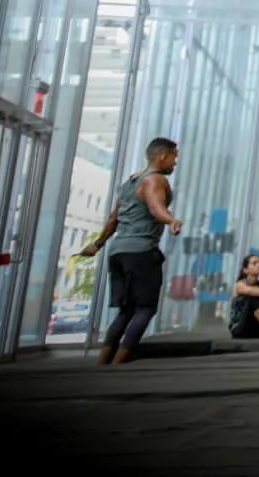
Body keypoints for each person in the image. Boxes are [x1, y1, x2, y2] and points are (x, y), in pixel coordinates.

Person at [78, 138, 181, 365]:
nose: (175, 162)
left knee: (126, 311)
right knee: (146, 309)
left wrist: (98, 244)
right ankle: (118, 364)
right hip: (141, 251)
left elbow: (114, 218)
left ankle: (102, 362)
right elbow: (156, 208)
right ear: (162, 156)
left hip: (118, 251)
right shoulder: (156, 180)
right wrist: (171, 220)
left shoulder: (130, 182)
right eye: (174, 157)